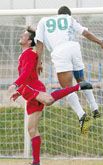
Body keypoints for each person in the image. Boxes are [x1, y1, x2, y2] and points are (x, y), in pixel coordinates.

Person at [8, 27, 93, 165]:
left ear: (29, 41)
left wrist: (16, 85)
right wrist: (19, 91)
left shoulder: (29, 53)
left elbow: (27, 72)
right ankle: (36, 162)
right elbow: (27, 74)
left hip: (33, 88)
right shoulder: (24, 54)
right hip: (28, 91)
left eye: (24, 35)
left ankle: (79, 86)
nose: (21, 36)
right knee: (31, 129)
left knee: (48, 100)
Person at [35, 6, 103, 133]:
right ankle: (94, 106)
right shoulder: (69, 19)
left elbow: (39, 43)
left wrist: (39, 62)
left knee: (67, 88)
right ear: (67, 14)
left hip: (60, 51)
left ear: (58, 14)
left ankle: (81, 115)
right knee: (81, 79)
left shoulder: (43, 21)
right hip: (74, 48)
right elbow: (85, 33)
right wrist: (101, 42)